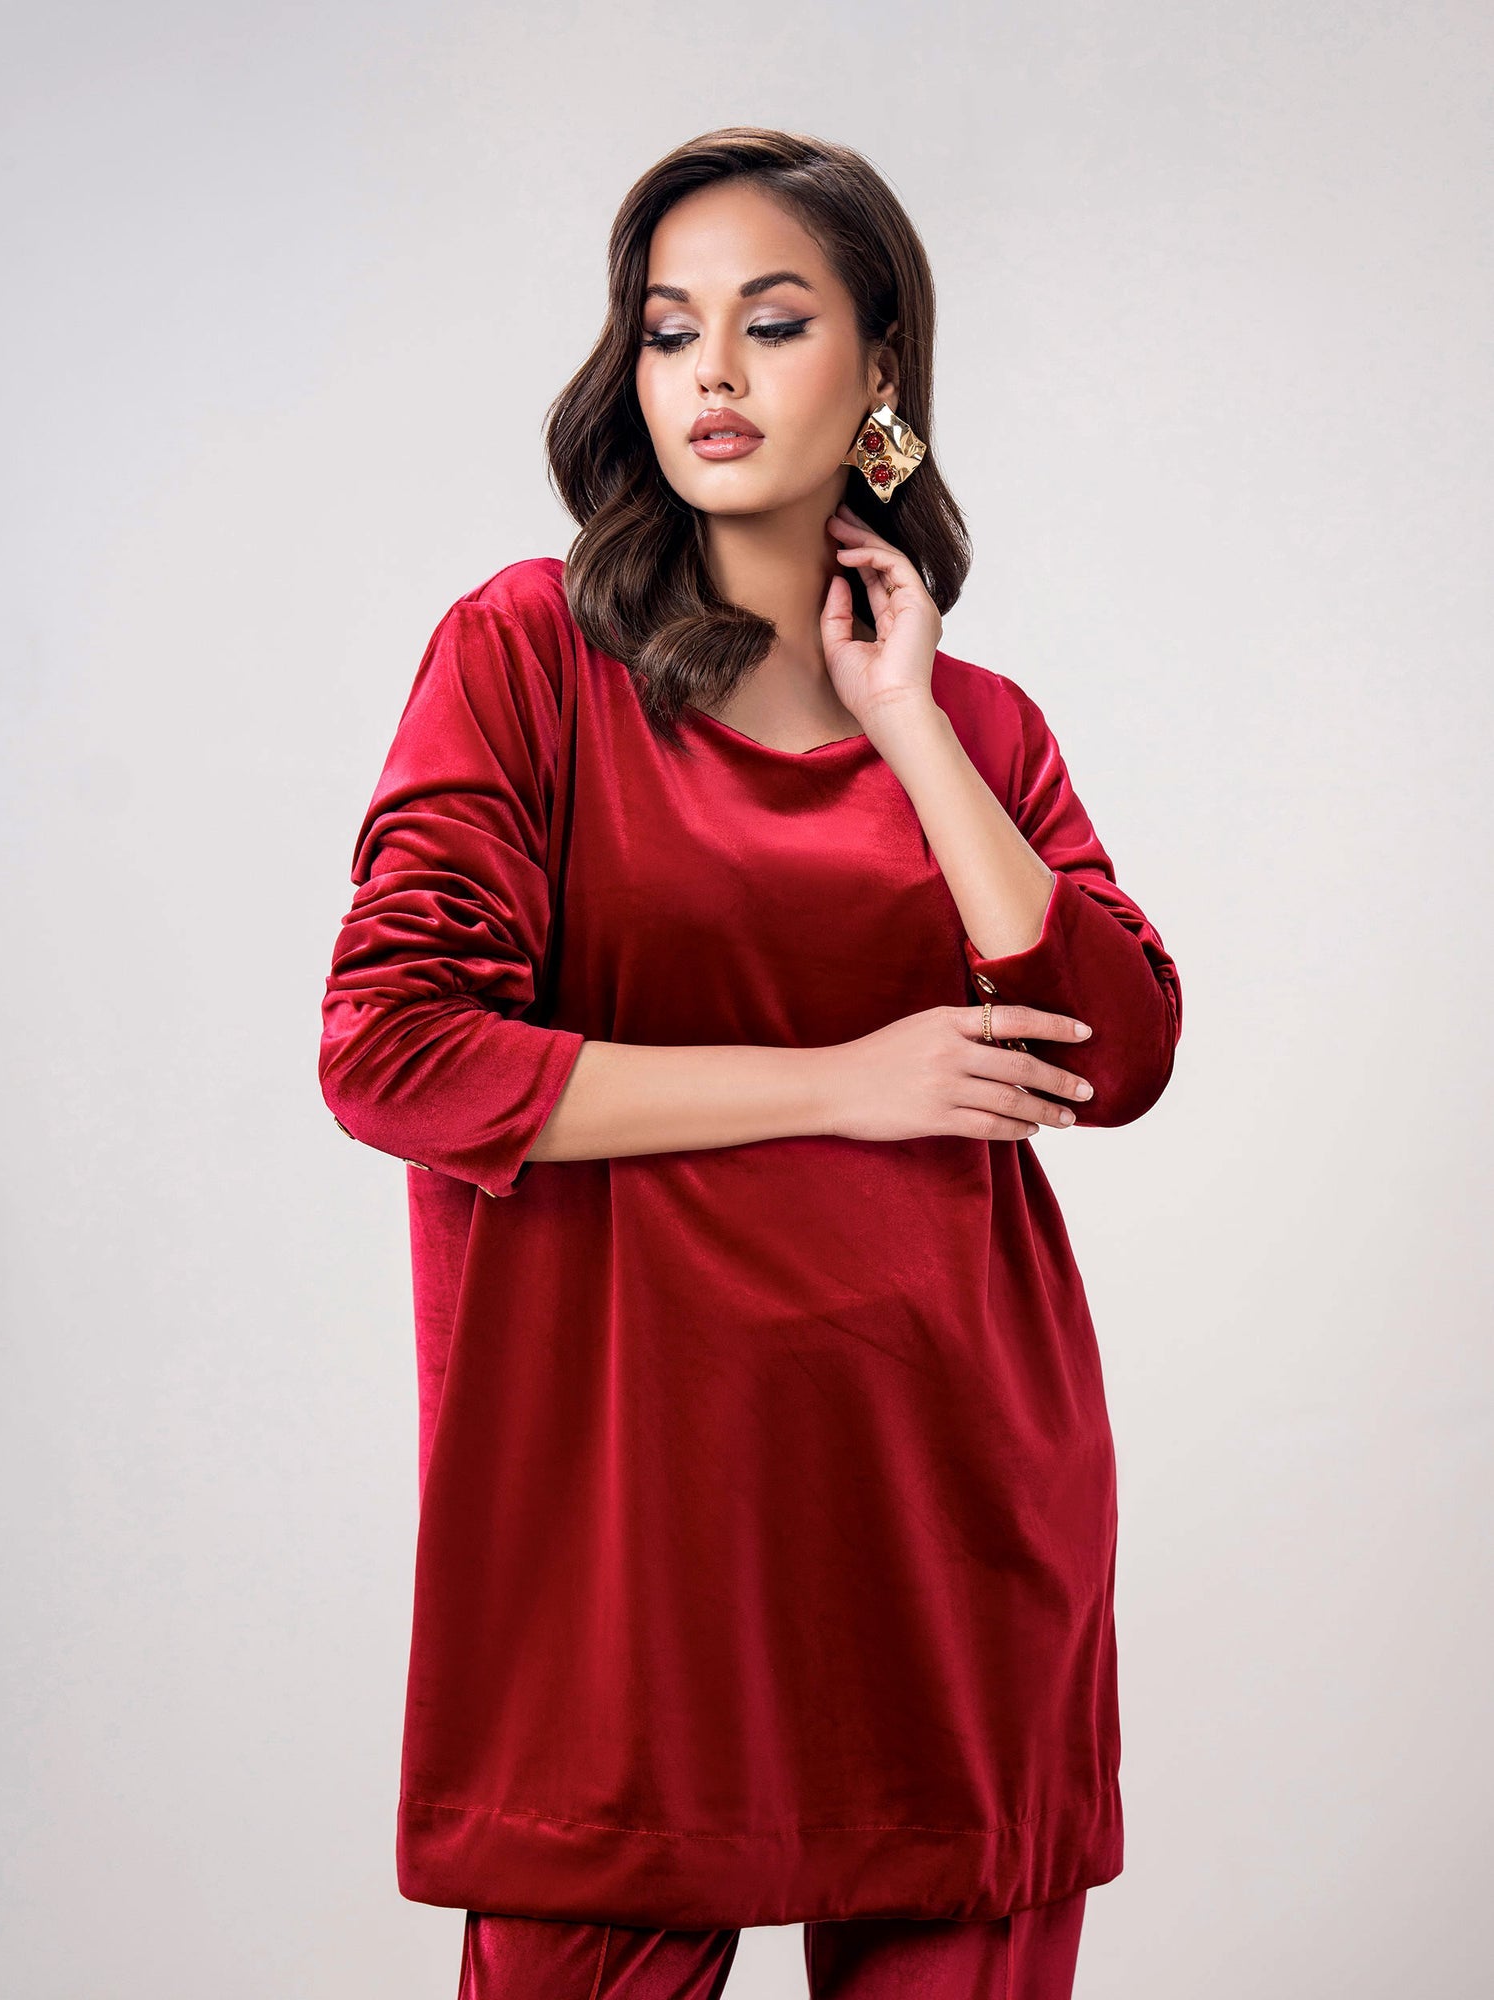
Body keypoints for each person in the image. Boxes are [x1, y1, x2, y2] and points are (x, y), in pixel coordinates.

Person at [319, 126, 1183, 2000]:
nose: (710, 371)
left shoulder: (981, 729)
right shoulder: (530, 657)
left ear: (882, 371)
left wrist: (908, 723)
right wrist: (840, 1081)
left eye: (772, 324)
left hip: (955, 1528)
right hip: (623, 1545)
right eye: (667, 328)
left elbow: (1117, 1055)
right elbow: (397, 1050)